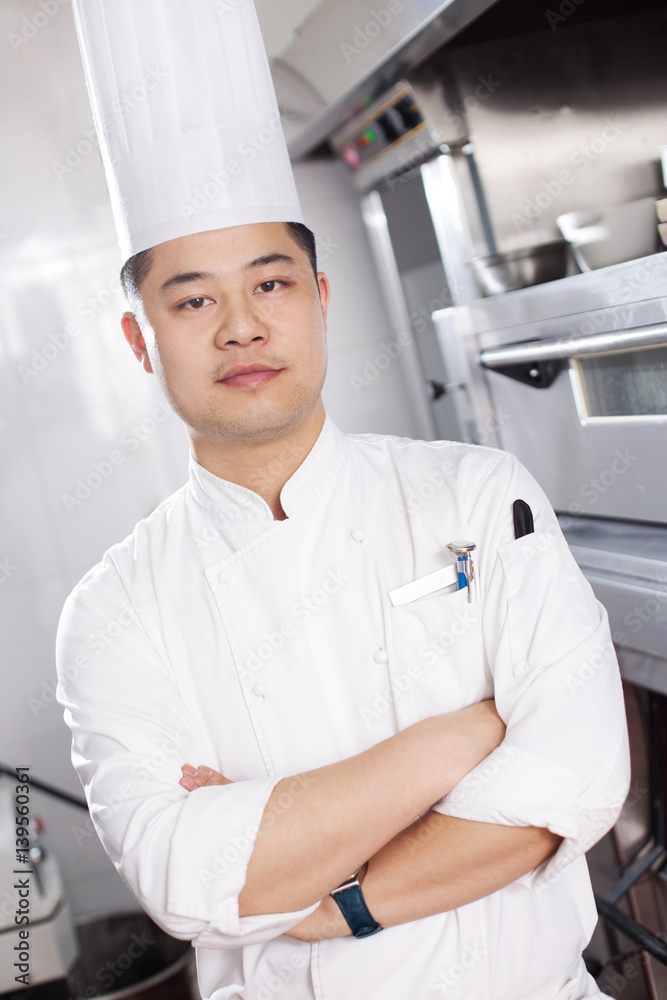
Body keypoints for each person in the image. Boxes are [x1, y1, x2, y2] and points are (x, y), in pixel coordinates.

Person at [56, 3, 630, 999]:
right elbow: (182, 879)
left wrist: (329, 901)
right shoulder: (113, 610)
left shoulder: (478, 493)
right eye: (193, 300)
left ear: (320, 301)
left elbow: (573, 779)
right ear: (140, 342)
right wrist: (458, 737)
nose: (240, 326)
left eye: (271, 285)